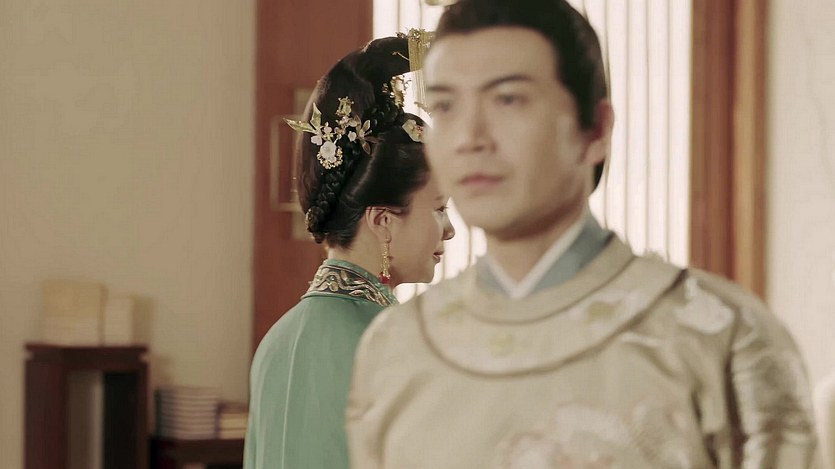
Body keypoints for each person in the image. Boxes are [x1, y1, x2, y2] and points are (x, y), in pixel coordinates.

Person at [346, 1, 819, 467]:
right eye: (445, 106)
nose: (470, 136)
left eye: (508, 99)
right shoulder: (396, 350)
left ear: (595, 131)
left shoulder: (721, 338)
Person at [243, 35, 455, 469]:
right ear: (383, 221)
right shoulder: (392, 344)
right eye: (438, 208)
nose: (450, 230)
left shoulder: (277, 340)